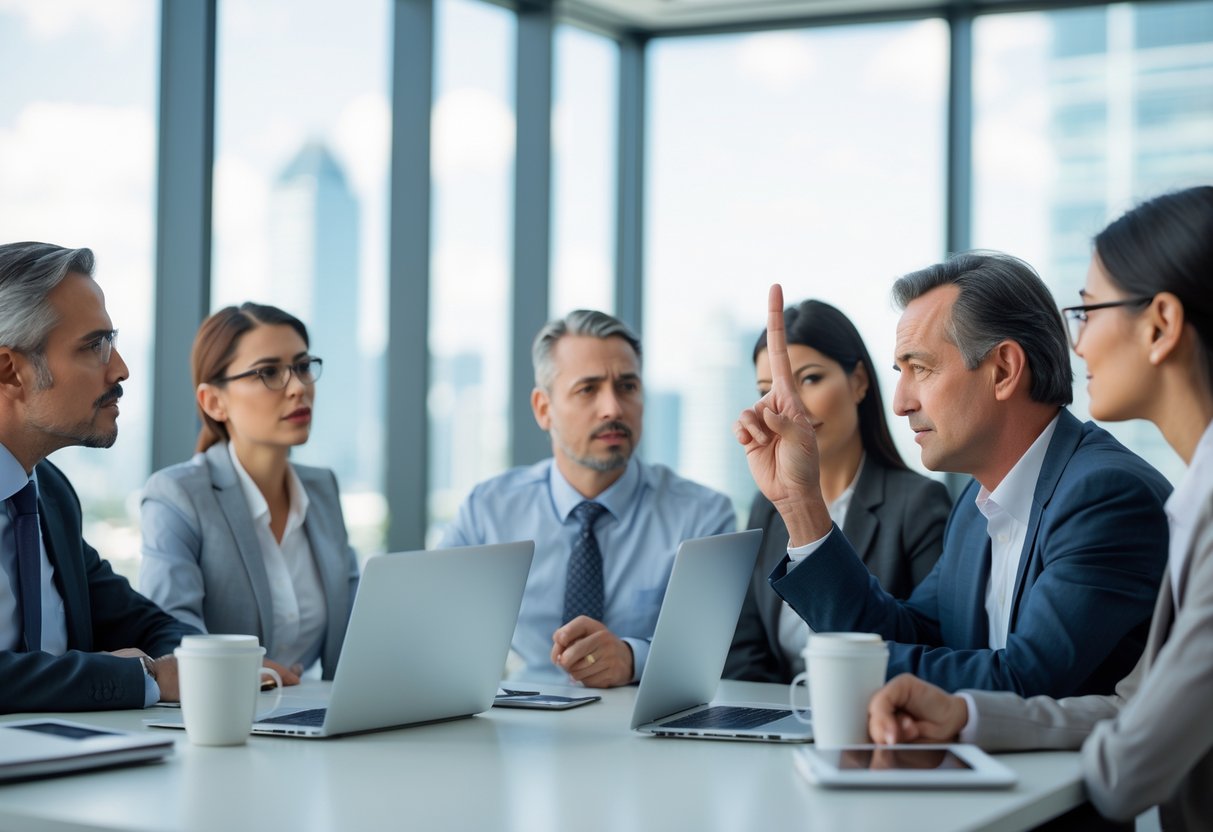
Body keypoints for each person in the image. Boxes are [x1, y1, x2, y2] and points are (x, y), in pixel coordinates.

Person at [868, 186, 1213, 829]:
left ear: (1161, 325)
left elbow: (1123, 759)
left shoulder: (1119, 494)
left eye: (1088, 312)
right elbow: (1128, 709)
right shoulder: (977, 500)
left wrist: (845, 673)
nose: (1076, 345)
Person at [735, 252, 1171, 698]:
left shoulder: (1105, 495)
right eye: (900, 373)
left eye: (920, 368)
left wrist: (843, 669)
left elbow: (1025, 681)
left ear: (1003, 370)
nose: (900, 402)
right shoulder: (975, 506)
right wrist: (800, 502)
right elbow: (908, 634)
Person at [441, 309, 735, 687]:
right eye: (588, 389)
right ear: (543, 409)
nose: (613, 408)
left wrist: (632, 659)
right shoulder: (488, 511)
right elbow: (432, 633)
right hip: (519, 724)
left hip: (646, 730)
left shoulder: (702, 517)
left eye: (627, 387)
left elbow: (718, 651)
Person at [0, 241, 196, 713]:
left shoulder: (49, 495)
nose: (121, 368)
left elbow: (148, 625)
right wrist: (140, 677)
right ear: (11, 370)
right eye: (95, 346)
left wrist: (194, 664)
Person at [724, 300, 950, 683]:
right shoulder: (768, 507)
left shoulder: (919, 506)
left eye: (809, 379)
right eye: (769, 390)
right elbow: (743, 647)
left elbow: (923, 646)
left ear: (859, 382)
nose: (788, 404)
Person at [140, 303, 359, 681]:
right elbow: (170, 631)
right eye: (268, 372)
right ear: (214, 402)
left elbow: (359, 622)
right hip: (221, 719)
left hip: (316, 715)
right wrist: (243, 670)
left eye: (303, 367)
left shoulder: (322, 489)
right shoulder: (178, 495)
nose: (297, 388)